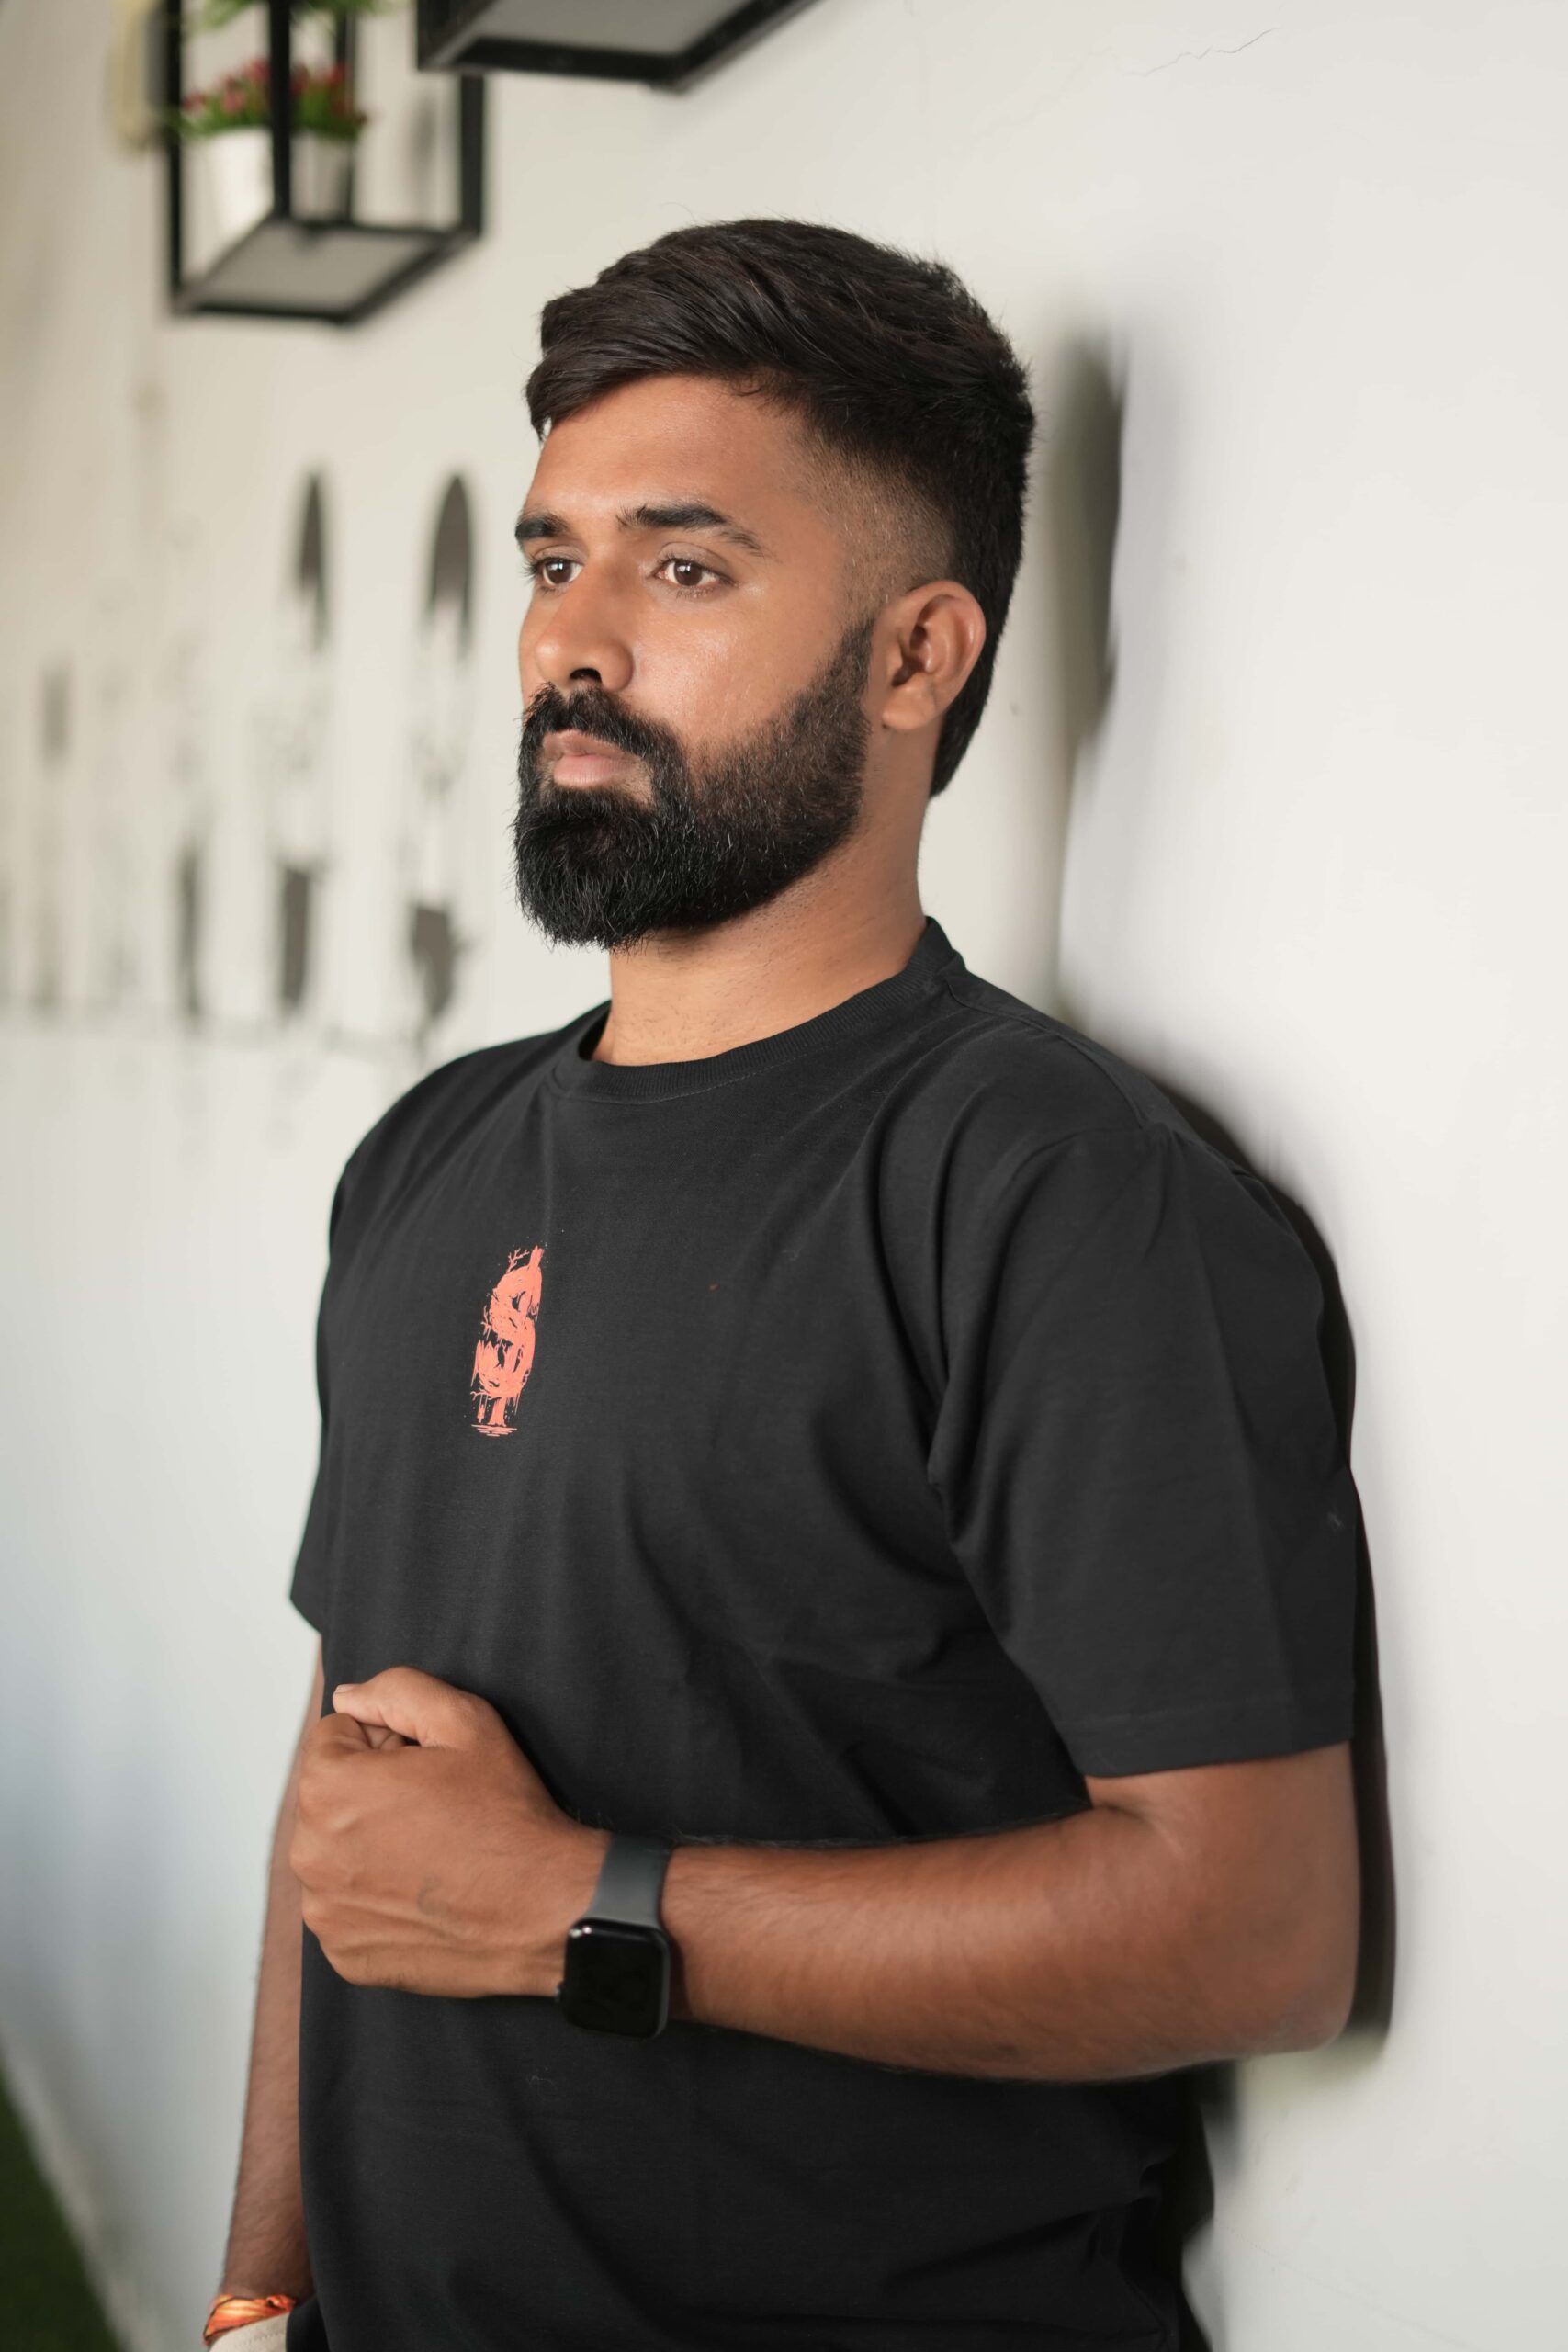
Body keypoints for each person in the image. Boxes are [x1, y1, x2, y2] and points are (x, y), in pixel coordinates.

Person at [206, 219, 1361, 2352]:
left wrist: (579, 1908)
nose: (573, 640)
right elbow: (351, 1804)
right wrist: (255, 2292)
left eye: (683, 566)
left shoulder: (1049, 1191)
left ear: (915, 655)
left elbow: (1255, 1931)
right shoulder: (428, 1154)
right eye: (553, 560)